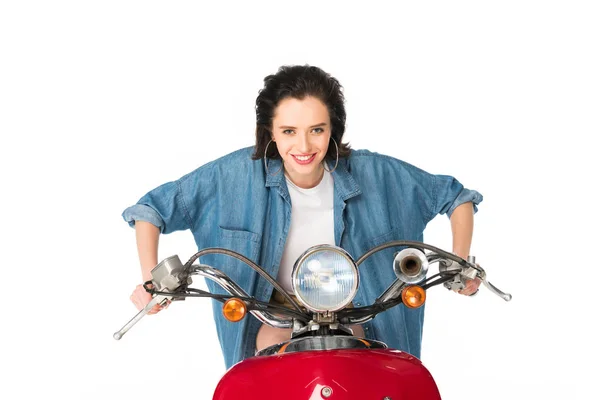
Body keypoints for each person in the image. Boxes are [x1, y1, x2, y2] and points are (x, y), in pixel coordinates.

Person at [123, 65, 483, 369]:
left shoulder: (377, 174)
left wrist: (460, 264)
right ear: (270, 133)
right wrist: (151, 282)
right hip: (272, 318)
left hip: (357, 315)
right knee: (261, 373)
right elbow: (150, 210)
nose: (304, 147)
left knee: (369, 371)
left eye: (317, 130)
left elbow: (455, 197)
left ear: (333, 128)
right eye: (289, 132)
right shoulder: (230, 177)